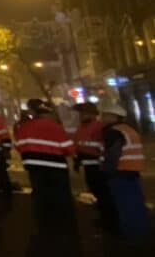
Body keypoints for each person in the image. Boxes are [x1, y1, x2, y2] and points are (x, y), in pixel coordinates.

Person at [15, 101, 76, 231]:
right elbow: (68, 148)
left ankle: (43, 220)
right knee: (60, 194)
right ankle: (62, 221)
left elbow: (19, 146)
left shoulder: (25, 127)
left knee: (40, 193)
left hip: (34, 167)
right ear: (48, 114)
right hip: (56, 167)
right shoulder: (55, 127)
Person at [100, 104, 150, 242]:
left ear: (113, 117)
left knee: (125, 205)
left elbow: (112, 155)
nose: (102, 118)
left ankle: (131, 234)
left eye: (105, 115)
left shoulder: (113, 132)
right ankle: (141, 231)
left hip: (120, 172)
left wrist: (106, 170)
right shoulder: (129, 129)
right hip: (132, 171)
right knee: (136, 202)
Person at [72, 102, 116, 231]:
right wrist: (78, 160)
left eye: (83, 113)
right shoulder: (82, 127)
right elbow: (80, 145)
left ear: (91, 114)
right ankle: (105, 218)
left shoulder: (98, 127)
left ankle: (111, 221)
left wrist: (103, 163)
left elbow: (104, 147)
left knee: (104, 193)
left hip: (98, 166)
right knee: (97, 192)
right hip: (89, 166)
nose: (80, 115)